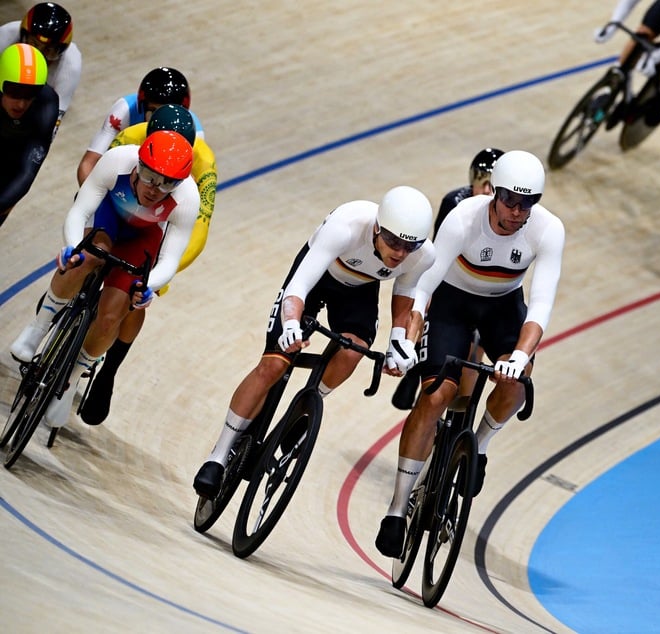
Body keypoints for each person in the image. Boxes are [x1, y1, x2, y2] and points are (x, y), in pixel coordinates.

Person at [375, 150, 565, 558]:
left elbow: (541, 304)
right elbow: (424, 287)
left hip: (502, 306)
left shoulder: (548, 230)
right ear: (493, 193)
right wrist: (408, 335)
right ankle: (396, 508)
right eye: (510, 200)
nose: (518, 211)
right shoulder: (463, 218)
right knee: (437, 394)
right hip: (452, 303)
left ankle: (477, 445)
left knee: (518, 381)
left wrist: (519, 356)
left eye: (527, 203)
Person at [192, 186, 436, 498]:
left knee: (354, 351)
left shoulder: (422, 256)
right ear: (377, 227)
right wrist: (292, 324)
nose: (400, 252)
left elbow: (405, 299)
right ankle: (218, 455)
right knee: (272, 365)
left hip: (359, 290)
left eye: (409, 245)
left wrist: (400, 344)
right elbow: (300, 285)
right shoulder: (346, 227)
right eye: (393, 242)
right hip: (319, 276)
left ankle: (307, 406)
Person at [9, 130, 198, 429]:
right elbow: (80, 211)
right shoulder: (117, 161)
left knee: (113, 314)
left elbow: (169, 260)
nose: (154, 188)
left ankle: (68, 385)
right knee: (90, 255)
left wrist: (146, 287)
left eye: (166, 183)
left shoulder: (187, 198)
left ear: (179, 184)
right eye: (149, 176)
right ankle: (39, 326)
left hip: (142, 238)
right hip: (107, 218)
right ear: (138, 164)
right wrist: (72, 248)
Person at [79, 104, 218, 426]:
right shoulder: (130, 137)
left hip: (160, 223)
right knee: (89, 248)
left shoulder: (203, 163)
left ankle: (108, 371)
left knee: (134, 297)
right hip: (118, 208)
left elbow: (198, 227)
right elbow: (98, 182)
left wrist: (156, 275)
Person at [391, 147, 505, 410]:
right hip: (450, 274)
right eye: (484, 184)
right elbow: (440, 254)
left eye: (494, 187)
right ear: (473, 182)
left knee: (477, 344)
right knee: (428, 302)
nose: (488, 192)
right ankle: (415, 367)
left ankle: (462, 415)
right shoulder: (455, 201)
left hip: (483, 283)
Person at [76, 66, 203, 185]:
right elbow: (88, 164)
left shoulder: (194, 134)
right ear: (141, 106)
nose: (158, 119)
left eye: (165, 113)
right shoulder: (124, 110)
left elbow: (188, 188)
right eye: (153, 110)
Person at [0, 3, 81, 132]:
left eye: (48, 50)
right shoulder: (5, 35)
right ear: (22, 36)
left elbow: (52, 119)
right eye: (33, 44)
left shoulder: (71, 65)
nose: (38, 54)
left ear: (60, 51)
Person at [0, 42, 57, 229]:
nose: (21, 104)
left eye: (30, 94)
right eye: (14, 92)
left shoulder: (46, 104)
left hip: (10, 165)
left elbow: (27, 171)